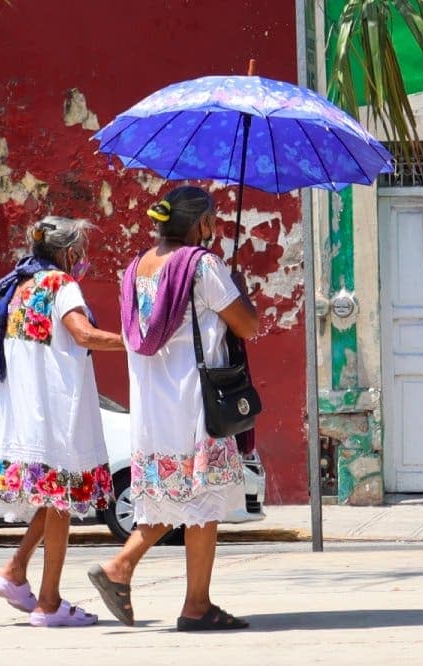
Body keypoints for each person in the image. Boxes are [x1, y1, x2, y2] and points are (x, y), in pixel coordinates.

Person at [88, 185, 259, 631]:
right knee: (201, 501)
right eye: (213, 218)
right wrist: (236, 288)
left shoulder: (137, 268)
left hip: (152, 405)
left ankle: (132, 573)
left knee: (175, 499)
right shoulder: (202, 266)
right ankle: (187, 601)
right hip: (194, 403)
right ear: (200, 223)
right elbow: (248, 325)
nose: (217, 225)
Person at [0, 216, 124, 627]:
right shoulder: (62, 286)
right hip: (56, 416)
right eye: (80, 252)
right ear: (68, 253)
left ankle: (15, 571)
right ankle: (49, 603)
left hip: (28, 417)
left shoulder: (18, 288)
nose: (82, 260)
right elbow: (82, 334)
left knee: (52, 502)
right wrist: (138, 344)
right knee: (60, 504)